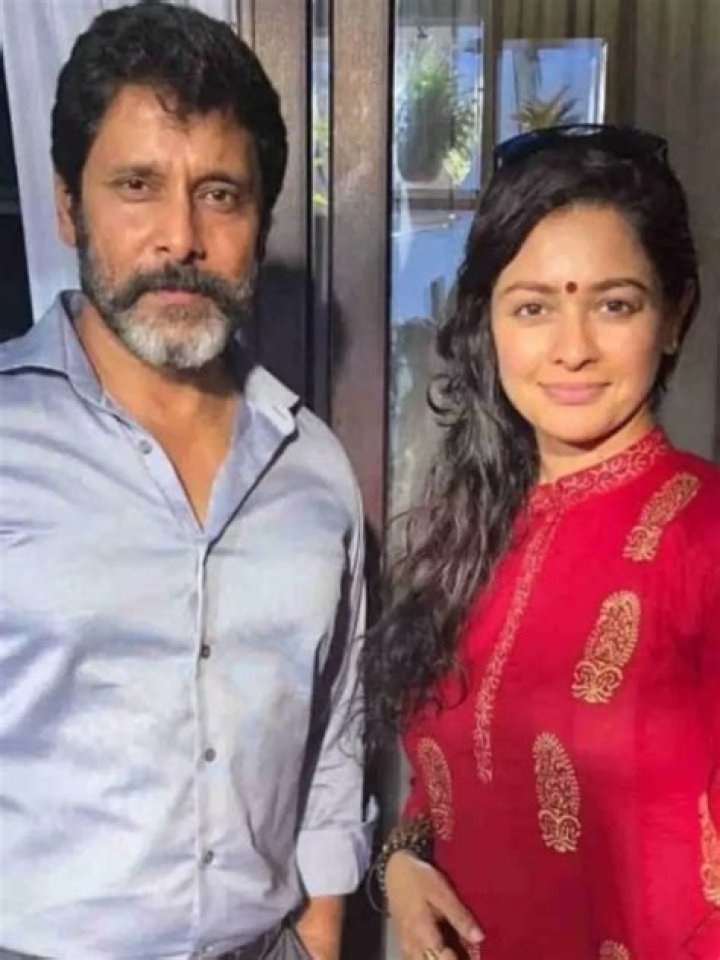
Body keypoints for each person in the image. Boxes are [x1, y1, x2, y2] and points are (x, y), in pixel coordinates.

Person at [0, 3, 372, 959]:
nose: (180, 237)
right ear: (68, 206)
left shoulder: (312, 469)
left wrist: (322, 928)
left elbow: (333, 728)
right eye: (137, 185)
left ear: (259, 219)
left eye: (220, 193)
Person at [366, 125, 720, 960]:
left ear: (674, 317)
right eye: (533, 307)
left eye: (614, 304)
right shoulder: (469, 531)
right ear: (488, 324)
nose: (572, 349)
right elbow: (445, 783)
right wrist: (402, 861)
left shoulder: (702, 537)